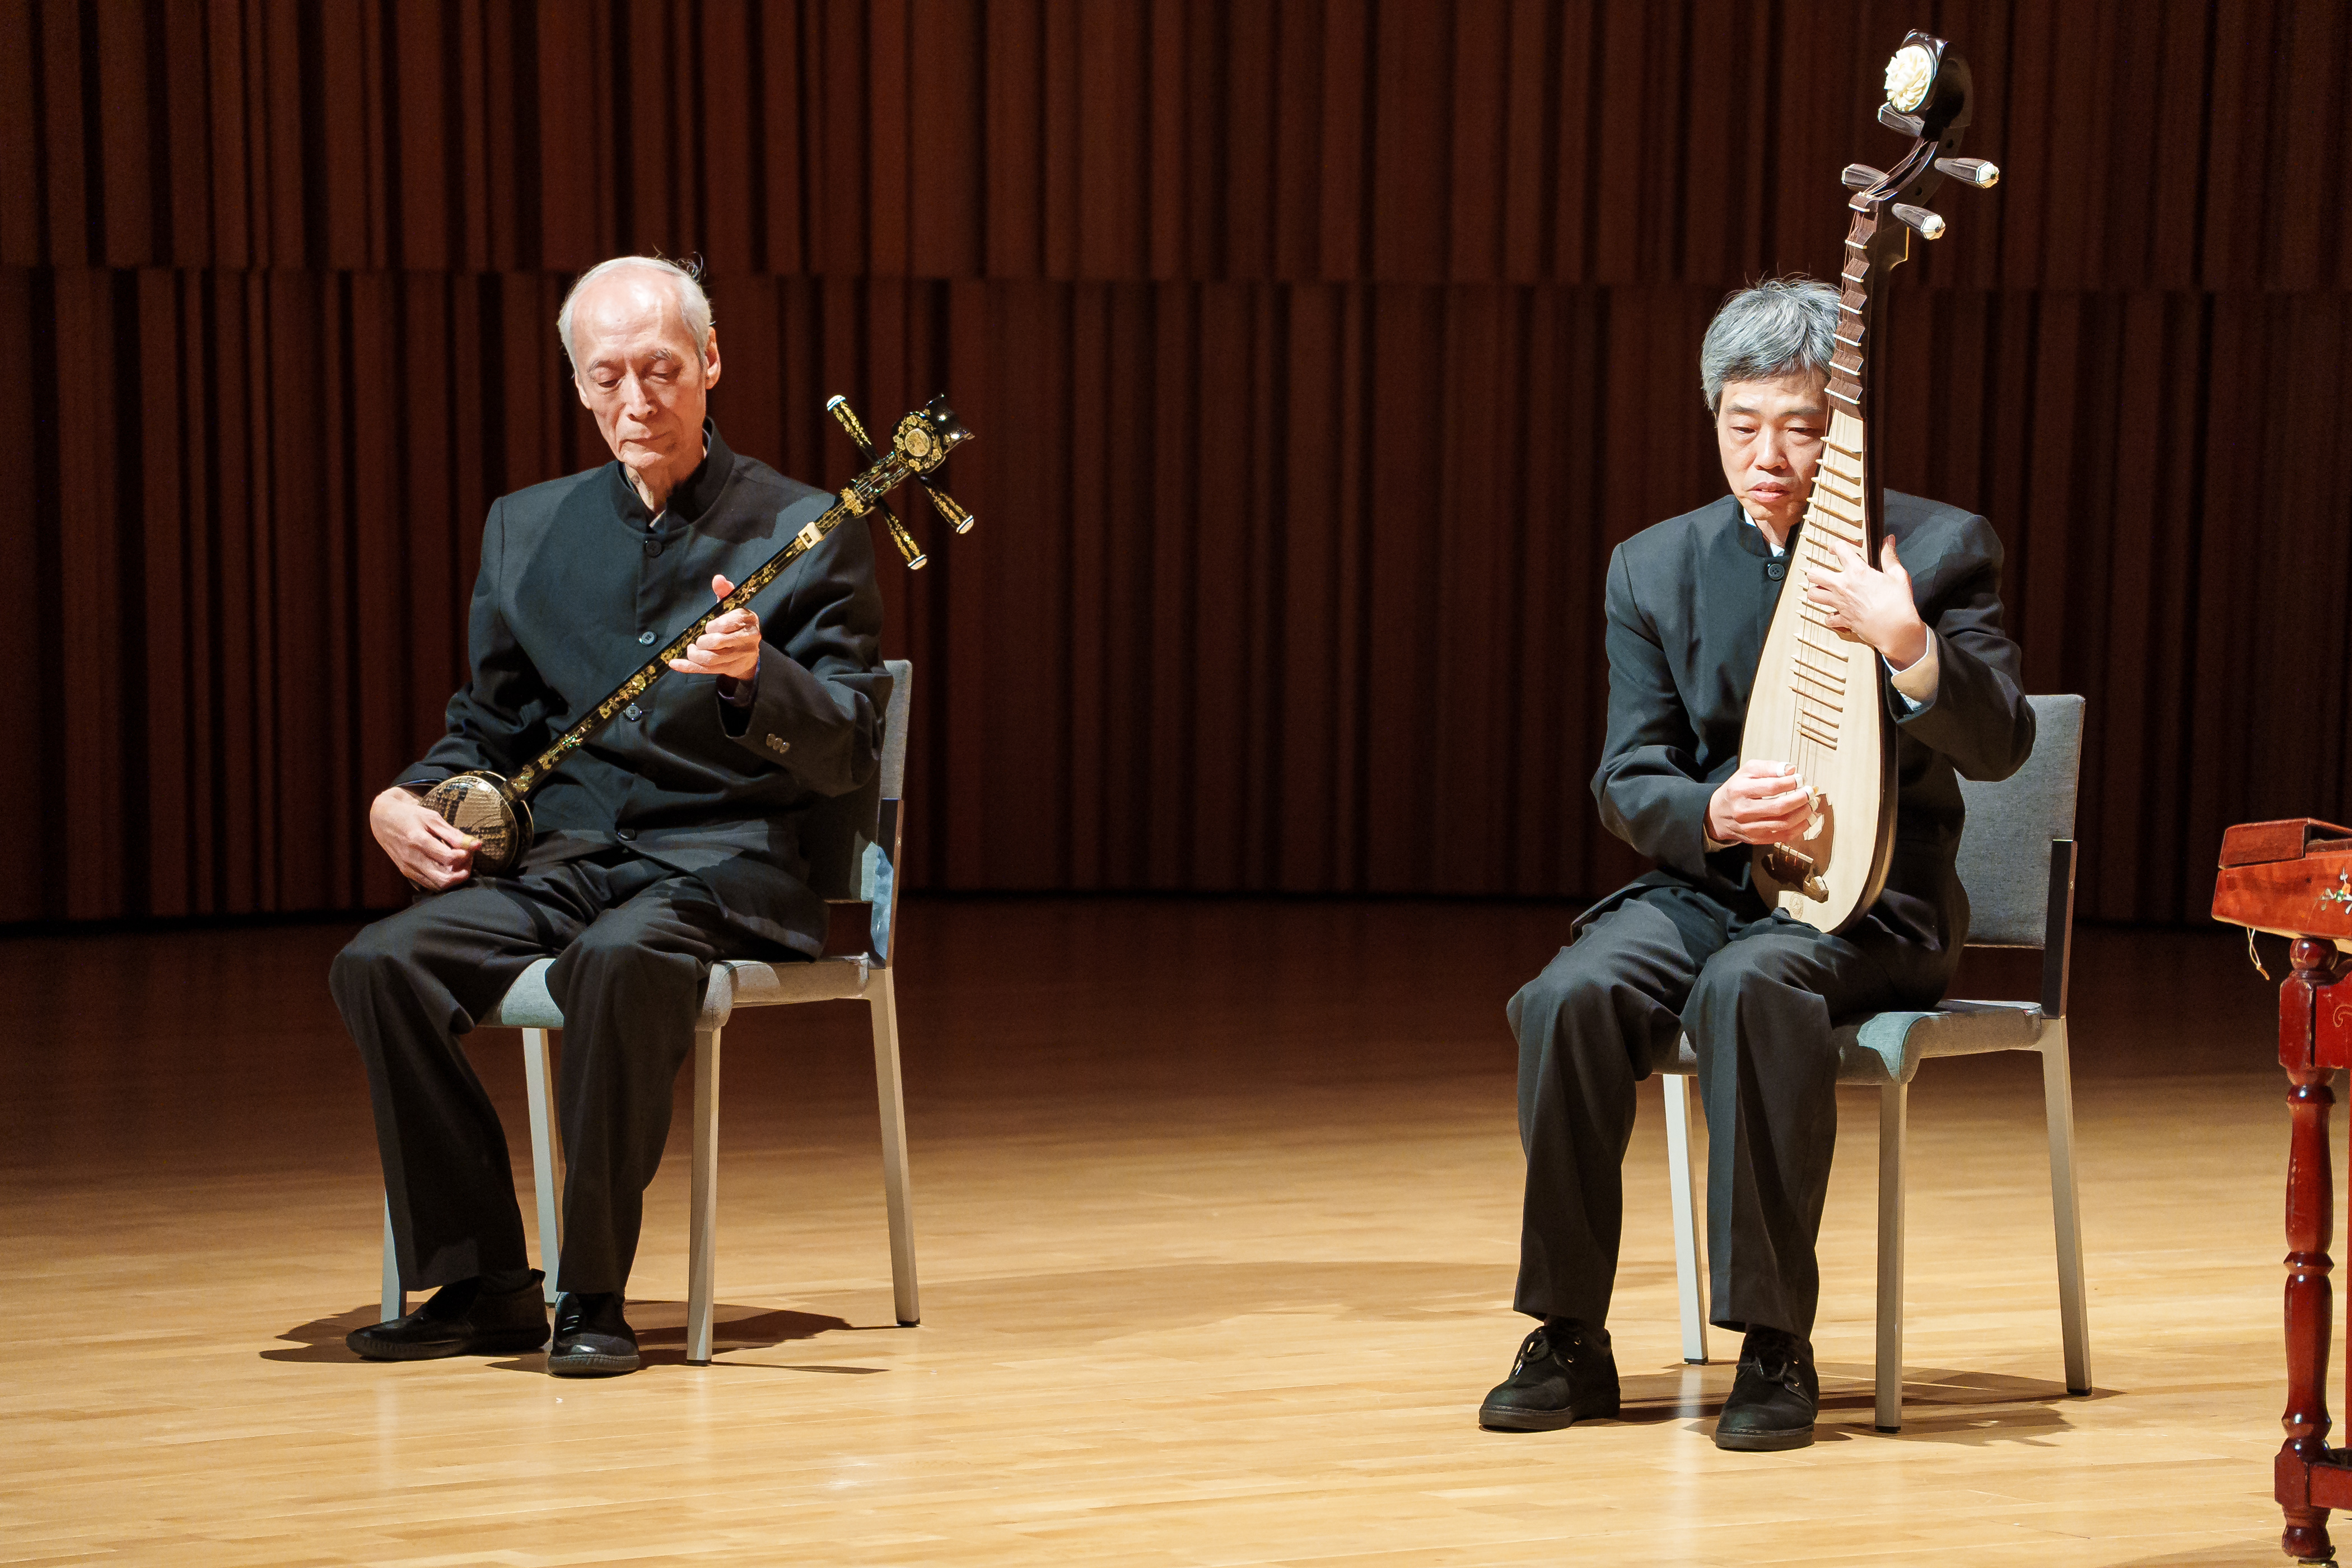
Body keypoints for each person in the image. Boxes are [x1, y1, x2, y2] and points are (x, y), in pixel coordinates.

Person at [1480, 278, 2033, 1449]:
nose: (1770, 454)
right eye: (1744, 424)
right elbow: (1628, 778)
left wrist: (1909, 644)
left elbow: (2001, 742)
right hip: (1708, 885)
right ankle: (1568, 1331)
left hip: (1871, 907)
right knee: (1569, 998)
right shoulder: (1655, 564)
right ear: (1713, 419)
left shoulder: (1933, 548)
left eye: (1803, 424)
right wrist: (1713, 808)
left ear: (1848, 426)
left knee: (1751, 990)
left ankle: (1774, 1342)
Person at [333, 255, 892, 1376]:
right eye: (607, 376)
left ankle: (591, 1292)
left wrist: (755, 677)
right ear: (579, 385)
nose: (636, 400)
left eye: (660, 369)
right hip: (571, 858)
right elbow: (487, 731)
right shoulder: (527, 530)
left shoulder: (805, 526)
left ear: (710, 364)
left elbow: (846, 747)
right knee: (383, 963)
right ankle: (485, 1278)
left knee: (621, 957)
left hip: (722, 867)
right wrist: (402, 798)